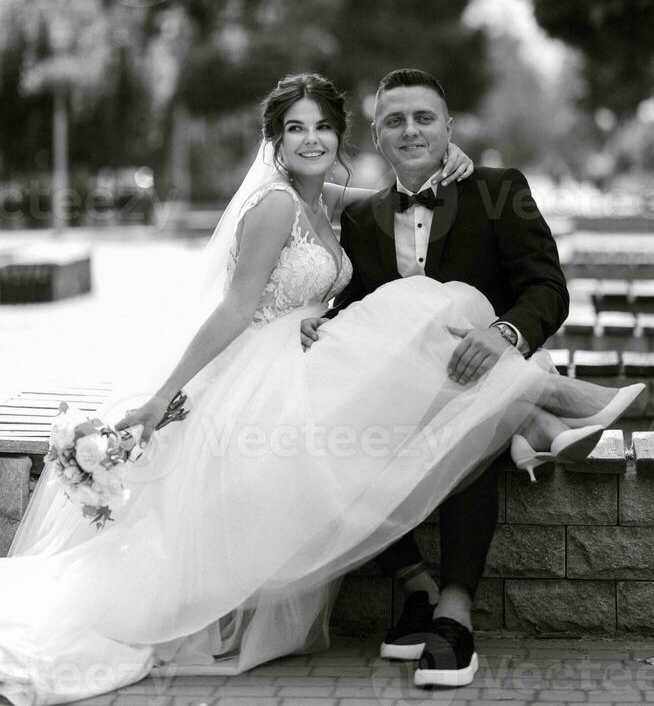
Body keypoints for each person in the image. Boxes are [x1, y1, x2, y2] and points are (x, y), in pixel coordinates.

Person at [0, 73, 642, 705]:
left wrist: (460, 184)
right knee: (422, 314)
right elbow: (241, 307)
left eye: (323, 127)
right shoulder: (306, 205)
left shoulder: (367, 199)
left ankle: (468, 568)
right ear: (278, 141)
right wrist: (170, 392)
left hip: (409, 367)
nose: (311, 140)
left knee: (440, 310)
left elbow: (525, 276)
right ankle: (545, 409)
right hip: (280, 372)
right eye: (296, 129)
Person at [300, 68, 645, 689]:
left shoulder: (497, 189)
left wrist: (504, 334)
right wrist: (319, 326)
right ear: (378, 136)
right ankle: (417, 585)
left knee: (465, 420)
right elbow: (359, 310)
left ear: (449, 128)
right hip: (405, 397)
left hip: (483, 372)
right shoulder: (363, 219)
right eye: (395, 120)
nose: (411, 130)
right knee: (330, 428)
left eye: (424, 117)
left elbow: (547, 288)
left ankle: (454, 613)